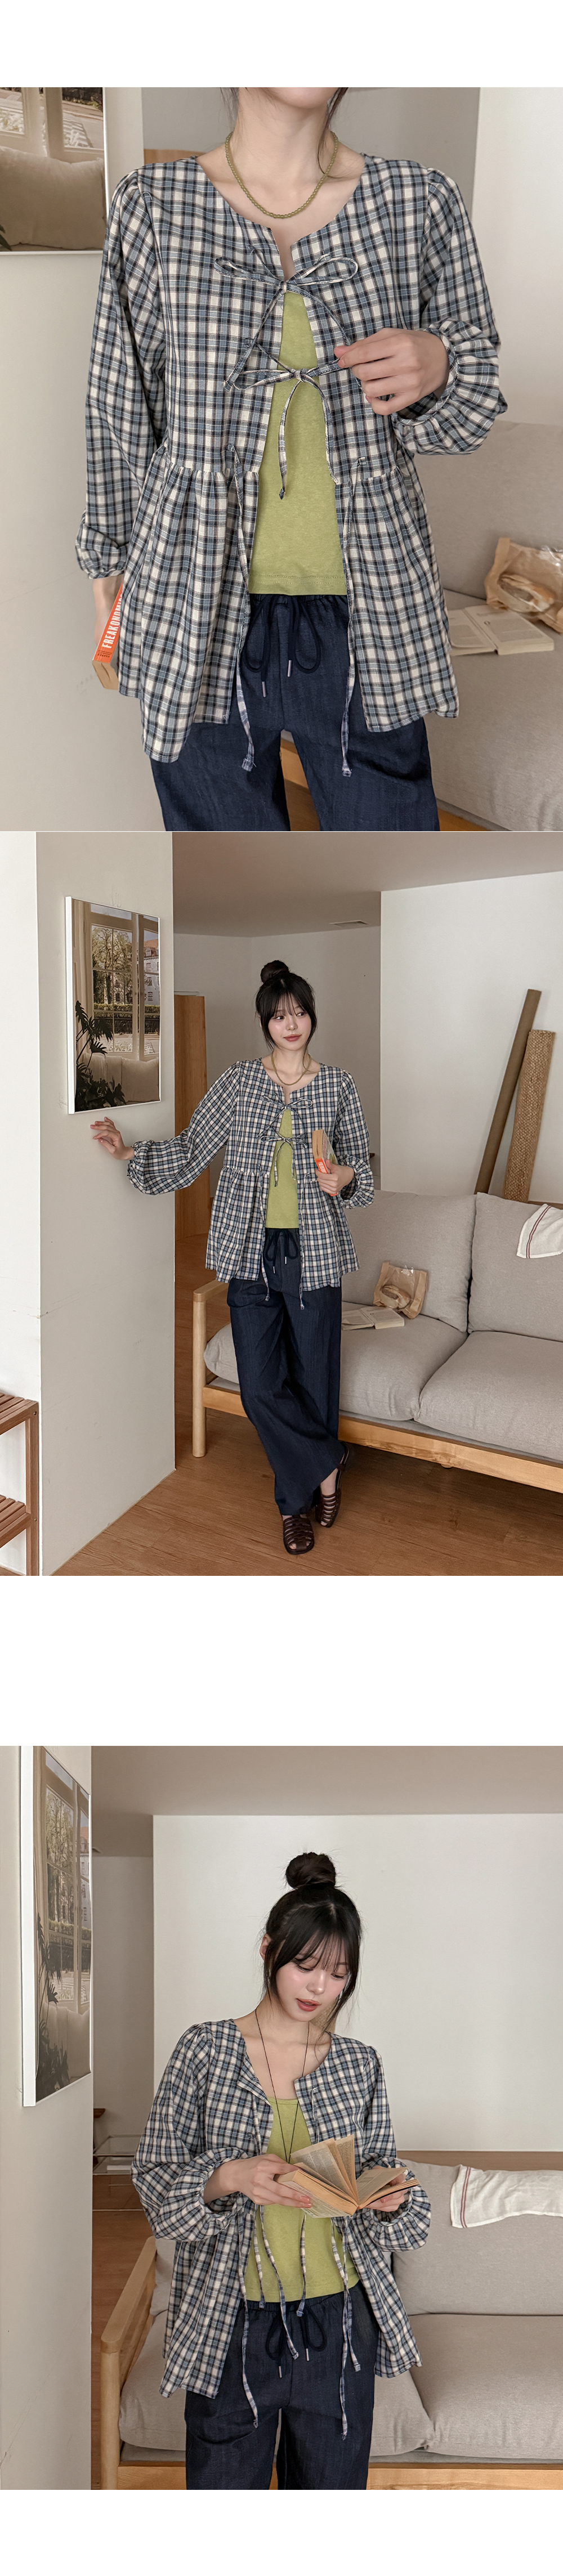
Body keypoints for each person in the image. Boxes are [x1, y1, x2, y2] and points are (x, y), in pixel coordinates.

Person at [77, 86, 505, 832]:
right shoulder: (152, 205)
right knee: (225, 863)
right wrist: (107, 575)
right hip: (193, 600)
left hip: (369, 610)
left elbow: (470, 417)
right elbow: (119, 411)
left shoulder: (420, 202)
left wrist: (440, 364)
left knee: (390, 853)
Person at [131, 1848, 431, 2490]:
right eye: (305, 1965)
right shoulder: (204, 2050)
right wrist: (229, 2177)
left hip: (340, 2320)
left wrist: (390, 2197)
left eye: (338, 1973)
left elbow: (384, 2170)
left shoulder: (359, 2063)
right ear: (269, 1950)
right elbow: (154, 2183)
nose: (319, 1987)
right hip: (231, 2317)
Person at [92, 958, 374, 1555]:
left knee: (314, 1379)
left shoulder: (338, 1085)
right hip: (249, 1250)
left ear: (312, 1017)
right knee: (259, 1385)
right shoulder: (240, 1081)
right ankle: (327, 1463)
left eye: (298, 1012)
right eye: (279, 1016)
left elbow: (364, 1177)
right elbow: (195, 1149)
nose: (290, 1024)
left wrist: (345, 1176)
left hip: (314, 1251)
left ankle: (295, 1504)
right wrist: (129, 1155)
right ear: (265, 1024)